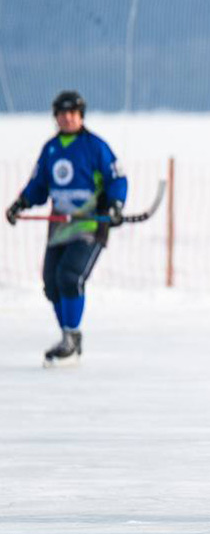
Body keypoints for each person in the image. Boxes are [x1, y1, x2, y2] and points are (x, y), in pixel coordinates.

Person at [6, 90, 127, 367]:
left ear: (81, 116)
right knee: (51, 283)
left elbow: (116, 179)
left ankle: (71, 339)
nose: (67, 118)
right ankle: (67, 337)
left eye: (72, 113)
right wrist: (21, 203)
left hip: (89, 224)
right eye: (62, 113)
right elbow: (39, 186)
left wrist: (116, 205)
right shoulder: (51, 149)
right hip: (59, 226)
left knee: (70, 276)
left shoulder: (96, 147)